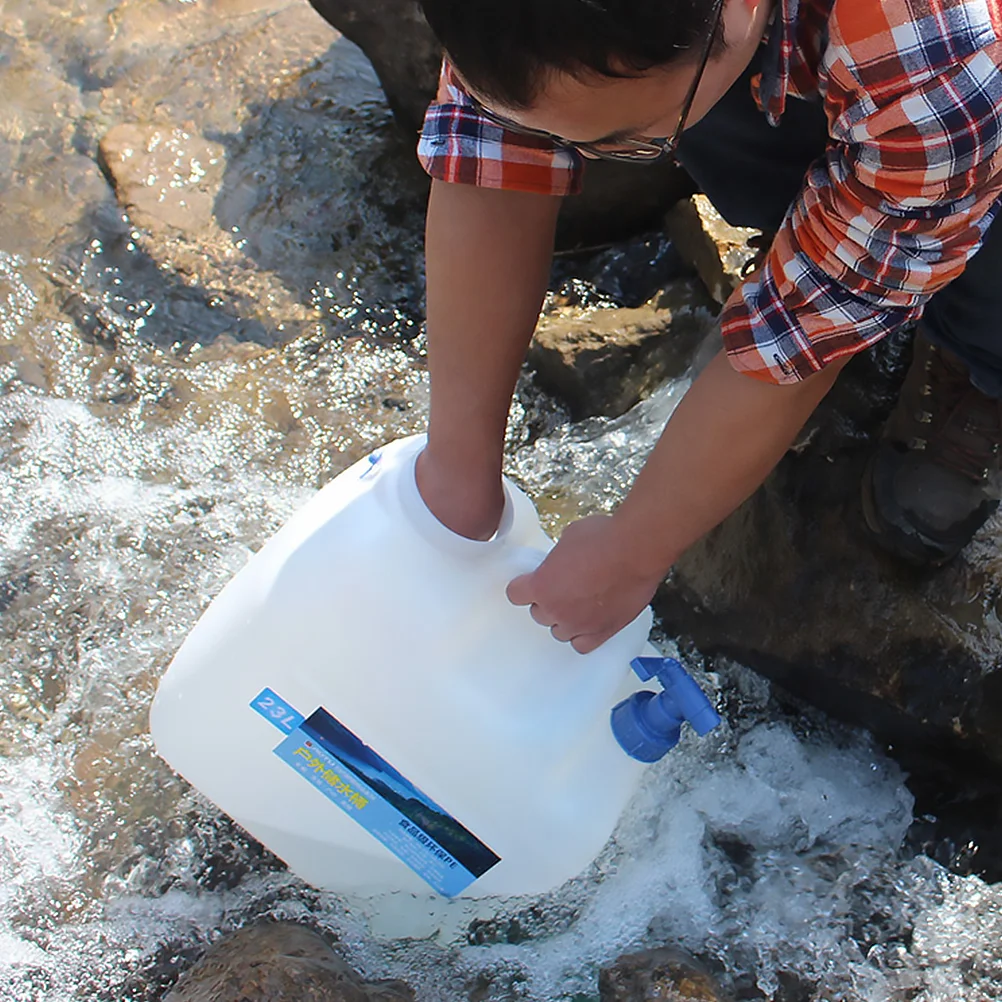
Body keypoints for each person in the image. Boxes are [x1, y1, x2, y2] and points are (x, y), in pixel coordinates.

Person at [411, 0, 1002, 654]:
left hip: (971, 105)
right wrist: (456, 474)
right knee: (688, 116)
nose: (584, 160)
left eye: (626, 144)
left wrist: (634, 551)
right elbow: (491, 155)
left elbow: (804, 330)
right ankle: (839, 220)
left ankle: (973, 359)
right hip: (808, 66)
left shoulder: (937, 50)